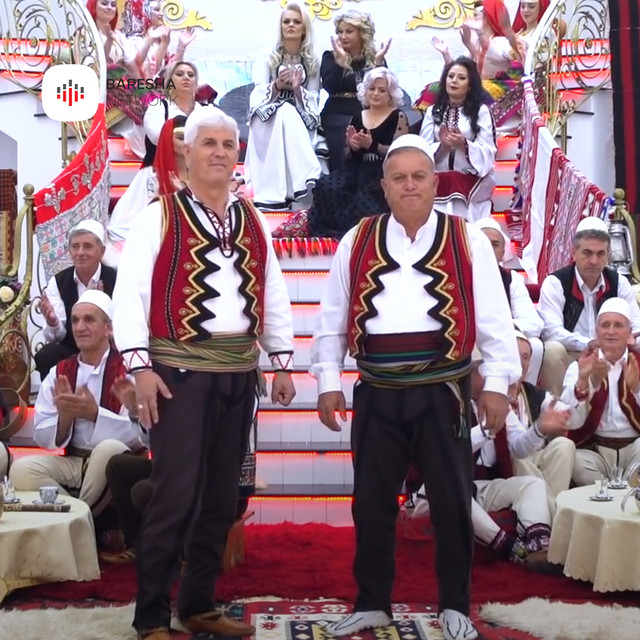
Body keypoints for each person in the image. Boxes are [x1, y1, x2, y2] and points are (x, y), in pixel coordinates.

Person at [310, 134, 520, 640]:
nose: (409, 186)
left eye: (419, 177)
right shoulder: (356, 239)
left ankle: (454, 606)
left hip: (442, 392)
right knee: (371, 501)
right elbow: (332, 315)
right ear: (383, 186)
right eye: (398, 178)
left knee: (452, 501)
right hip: (376, 390)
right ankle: (372, 603)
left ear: (434, 183)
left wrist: (495, 383)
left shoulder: (467, 239)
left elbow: (494, 317)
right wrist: (327, 379)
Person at [112, 107, 296, 640]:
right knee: (175, 495)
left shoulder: (252, 218)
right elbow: (130, 294)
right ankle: (151, 616)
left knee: (221, 498)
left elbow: (272, 288)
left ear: (238, 154)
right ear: (186, 153)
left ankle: (197, 605)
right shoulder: (158, 216)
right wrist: (140, 366)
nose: (219, 152)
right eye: (208, 143)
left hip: (239, 373)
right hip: (179, 375)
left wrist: (281, 360)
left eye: (228, 144)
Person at [9, 290, 146, 516]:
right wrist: (65, 418)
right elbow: (42, 435)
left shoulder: (129, 371)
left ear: (109, 328)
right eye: (75, 320)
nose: (80, 327)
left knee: (108, 449)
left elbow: (140, 436)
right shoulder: (60, 371)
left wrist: (95, 414)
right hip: (74, 462)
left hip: (117, 463)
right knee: (22, 469)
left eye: (89, 319)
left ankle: (78, 518)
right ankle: (76, 517)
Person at [538, 216, 640, 396]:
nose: (594, 260)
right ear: (574, 253)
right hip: (573, 353)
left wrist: (623, 341)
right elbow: (551, 331)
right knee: (552, 350)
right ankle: (555, 406)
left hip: (613, 351)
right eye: (587, 253)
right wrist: (590, 344)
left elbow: (636, 326)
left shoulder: (619, 283)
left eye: (600, 254)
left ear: (608, 256)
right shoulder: (556, 283)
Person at [108, 61, 203, 245]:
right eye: (180, 74)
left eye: (190, 75)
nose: (186, 78)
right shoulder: (159, 107)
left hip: (195, 177)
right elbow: (157, 136)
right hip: (158, 174)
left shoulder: (203, 111)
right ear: (169, 81)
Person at [307, 67, 409, 238]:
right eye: (371, 89)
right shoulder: (357, 116)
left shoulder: (398, 116)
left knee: (363, 198)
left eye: (382, 90)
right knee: (327, 185)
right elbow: (347, 154)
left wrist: (372, 145)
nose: (375, 93)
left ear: (391, 94)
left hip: (384, 172)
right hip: (356, 169)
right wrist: (353, 146)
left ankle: (364, 236)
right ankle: (335, 235)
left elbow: (401, 152)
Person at [246, 1, 322, 210]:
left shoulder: (312, 60)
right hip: (267, 116)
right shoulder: (267, 55)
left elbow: (314, 96)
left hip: (302, 114)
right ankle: (305, 177)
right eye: (286, 21)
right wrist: (277, 85)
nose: (290, 25)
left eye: (296, 22)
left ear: (304, 28)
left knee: (289, 112)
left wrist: (298, 90)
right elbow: (257, 92)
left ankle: (300, 187)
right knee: (285, 111)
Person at [561, 298, 640, 486]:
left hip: (635, 449)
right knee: (574, 460)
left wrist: (636, 389)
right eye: (605, 325)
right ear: (596, 332)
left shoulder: (637, 364)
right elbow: (569, 422)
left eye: (618, 325)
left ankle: (617, 490)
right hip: (594, 451)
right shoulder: (579, 366)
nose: (611, 331)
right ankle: (623, 490)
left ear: (630, 333)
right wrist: (585, 382)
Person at [35, 220, 116, 379]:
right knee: (46, 355)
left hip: (107, 349)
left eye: (87, 246)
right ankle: (58, 395)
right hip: (73, 349)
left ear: (102, 251)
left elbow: (123, 326)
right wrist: (53, 322)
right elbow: (56, 337)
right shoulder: (58, 282)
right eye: (75, 247)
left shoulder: (116, 279)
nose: (80, 253)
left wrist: (100, 308)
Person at [419, 57, 496, 222]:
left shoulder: (481, 111)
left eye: (461, 78)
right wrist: (443, 147)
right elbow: (422, 151)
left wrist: (463, 144)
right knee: (442, 182)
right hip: (438, 177)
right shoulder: (432, 111)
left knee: (453, 181)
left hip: (473, 178)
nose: (454, 81)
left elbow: (488, 150)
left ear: (469, 86)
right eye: (451, 76)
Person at [320, 10, 391, 171]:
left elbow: (384, 88)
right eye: (340, 32)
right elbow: (330, 86)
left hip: (368, 113)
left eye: (349, 31)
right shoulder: (330, 57)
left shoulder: (374, 57)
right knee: (345, 131)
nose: (343, 36)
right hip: (337, 114)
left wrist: (378, 64)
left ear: (361, 33)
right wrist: (340, 62)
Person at [475, 217, 544, 382]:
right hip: (473, 338)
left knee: (535, 345)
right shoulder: (458, 275)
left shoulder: (512, 279)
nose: (489, 249)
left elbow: (534, 323)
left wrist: (503, 328)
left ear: (502, 252)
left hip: (506, 336)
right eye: (484, 243)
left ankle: (524, 394)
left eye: (495, 244)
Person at [509, 331, 577, 496]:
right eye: (516, 354)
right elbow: (515, 447)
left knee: (564, 445)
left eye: (526, 357)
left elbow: (572, 418)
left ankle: (552, 503)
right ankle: (550, 504)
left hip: (535, 455)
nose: (521, 362)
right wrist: (540, 428)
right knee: (516, 456)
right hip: (510, 462)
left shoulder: (535, 393)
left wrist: (582, 383)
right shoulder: (490, 394)